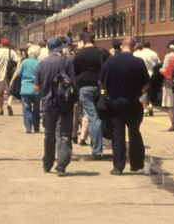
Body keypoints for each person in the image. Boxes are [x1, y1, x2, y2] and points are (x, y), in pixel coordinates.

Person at [99, 37, 149, 175]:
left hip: (115, 103)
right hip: (133, 103)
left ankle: (118, 167)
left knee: (118, 134)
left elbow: (101, 80)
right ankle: (136, 164)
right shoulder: (139, 62)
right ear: (133, 48)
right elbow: (146, 84)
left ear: (122, 47)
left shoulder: (111, 61)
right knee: (134, 132)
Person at [34, 36, 76, 176]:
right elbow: (73, 83)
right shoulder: (67, 62)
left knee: (49, 134)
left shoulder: (42, 63)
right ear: (60, 48)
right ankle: (61, 166)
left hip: (47, 105)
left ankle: (47, 163)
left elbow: (36, 87)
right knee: (63, 134)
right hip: (64, 104)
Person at [72, 32, 110, 160]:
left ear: (83, 41)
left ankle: (97, 151)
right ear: (94, 41)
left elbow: (73, 75)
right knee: (102, 114)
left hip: (86, 89)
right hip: (102, 90)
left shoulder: (79, 55)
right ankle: (96, 145)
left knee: (94, 117)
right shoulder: (103, 53)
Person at [12, 45, 41, 133]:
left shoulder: (24, 62)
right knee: (37, 107)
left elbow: (19, 73)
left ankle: (28, 127)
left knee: (26, 107)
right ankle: (36, 126)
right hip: (37, 88)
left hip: (25, 87)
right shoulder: (40, 63)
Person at [0, 39, 20, 116]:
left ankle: (1, 109)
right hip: (9, 75)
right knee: (10, 92)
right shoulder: (11, 52)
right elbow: (17, 61)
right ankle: (9, 104)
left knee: (0, 93)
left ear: (1, 44)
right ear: (8, 45)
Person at [159, 40, 174, 131]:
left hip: (169, 83)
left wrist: (160, 70)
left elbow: (165, 71)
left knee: (170, 105)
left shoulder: (168, 56)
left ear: (170, 47)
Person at [134, 41, 160, 117]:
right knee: (151, 91)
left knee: (144, 91)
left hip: (143, 74)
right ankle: (150, 105)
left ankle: (145, 109)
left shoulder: (140, 54)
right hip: (153, 74)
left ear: (143, 46)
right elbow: (158, 63)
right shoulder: (154, 53)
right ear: (149, 45)